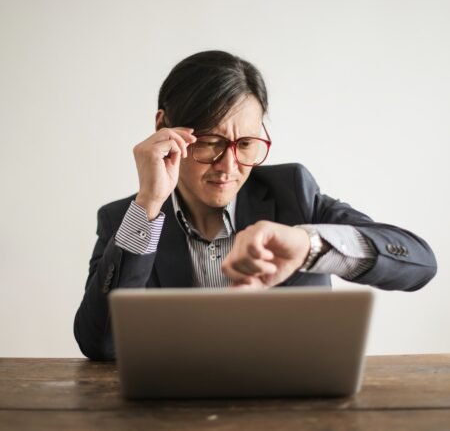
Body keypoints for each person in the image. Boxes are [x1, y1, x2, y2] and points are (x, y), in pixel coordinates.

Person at [74, 50, 437, 361]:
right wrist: (149, 205)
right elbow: (100, 344)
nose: (229, 168)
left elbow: (418, 263)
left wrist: (309, 247)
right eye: (210, 142)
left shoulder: (292, 192)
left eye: (246, 144)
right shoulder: (125, 219)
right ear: (164, 129)